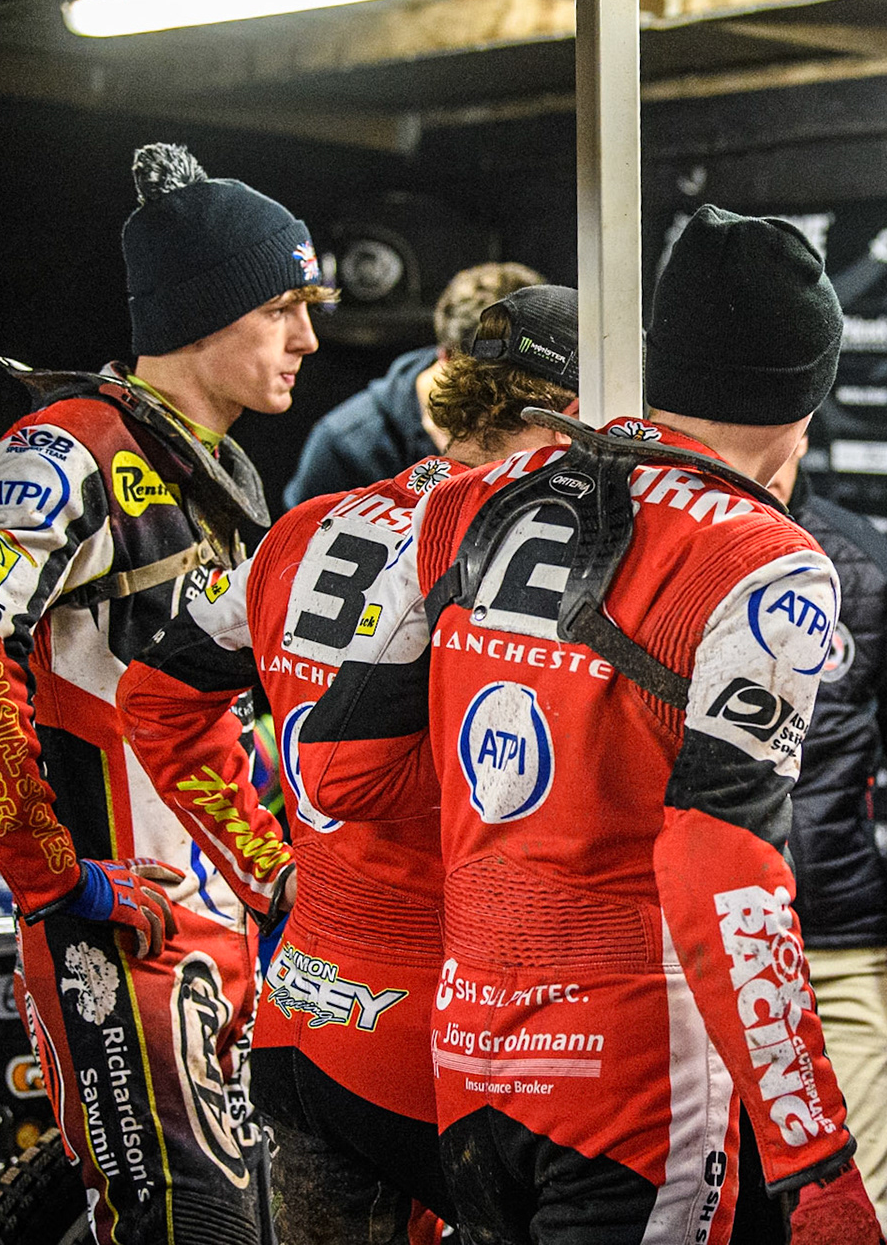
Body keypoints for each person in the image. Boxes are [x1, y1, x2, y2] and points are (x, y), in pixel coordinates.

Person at [291, 205, 881, 1245]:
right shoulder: (769, 558)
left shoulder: (468, 498)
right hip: (632, 1073)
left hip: (467, 1052)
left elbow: (335, 766)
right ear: (804, 396)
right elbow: (722, 864)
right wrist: (816, 1156)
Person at [0, 142, 331, 1244]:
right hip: (121, 934)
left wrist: (279, 879)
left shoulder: (214, 474)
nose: (307, 339)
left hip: (218, 927)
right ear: (204, 310)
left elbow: (201, 721)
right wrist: (53, 874)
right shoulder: (70, 446)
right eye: (283, 306)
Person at [117, 286, 582, 1245]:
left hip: (303, 1021)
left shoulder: (310, 528)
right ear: (573, 411)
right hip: (468, 1048)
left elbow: (155, 701)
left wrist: (267, 868)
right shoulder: (545, 562)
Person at [751, 438, 887, 1236]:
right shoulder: (656, 545)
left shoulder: (853, 556)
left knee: (849, 1217)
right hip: (683, 945)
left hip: (834, 934)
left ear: (801, 426)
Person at [284, 259, 546, 507]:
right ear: (448, 359)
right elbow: (297, 549)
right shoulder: (345, 446)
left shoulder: (556, 419)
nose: (516, 401)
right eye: (497, 385)